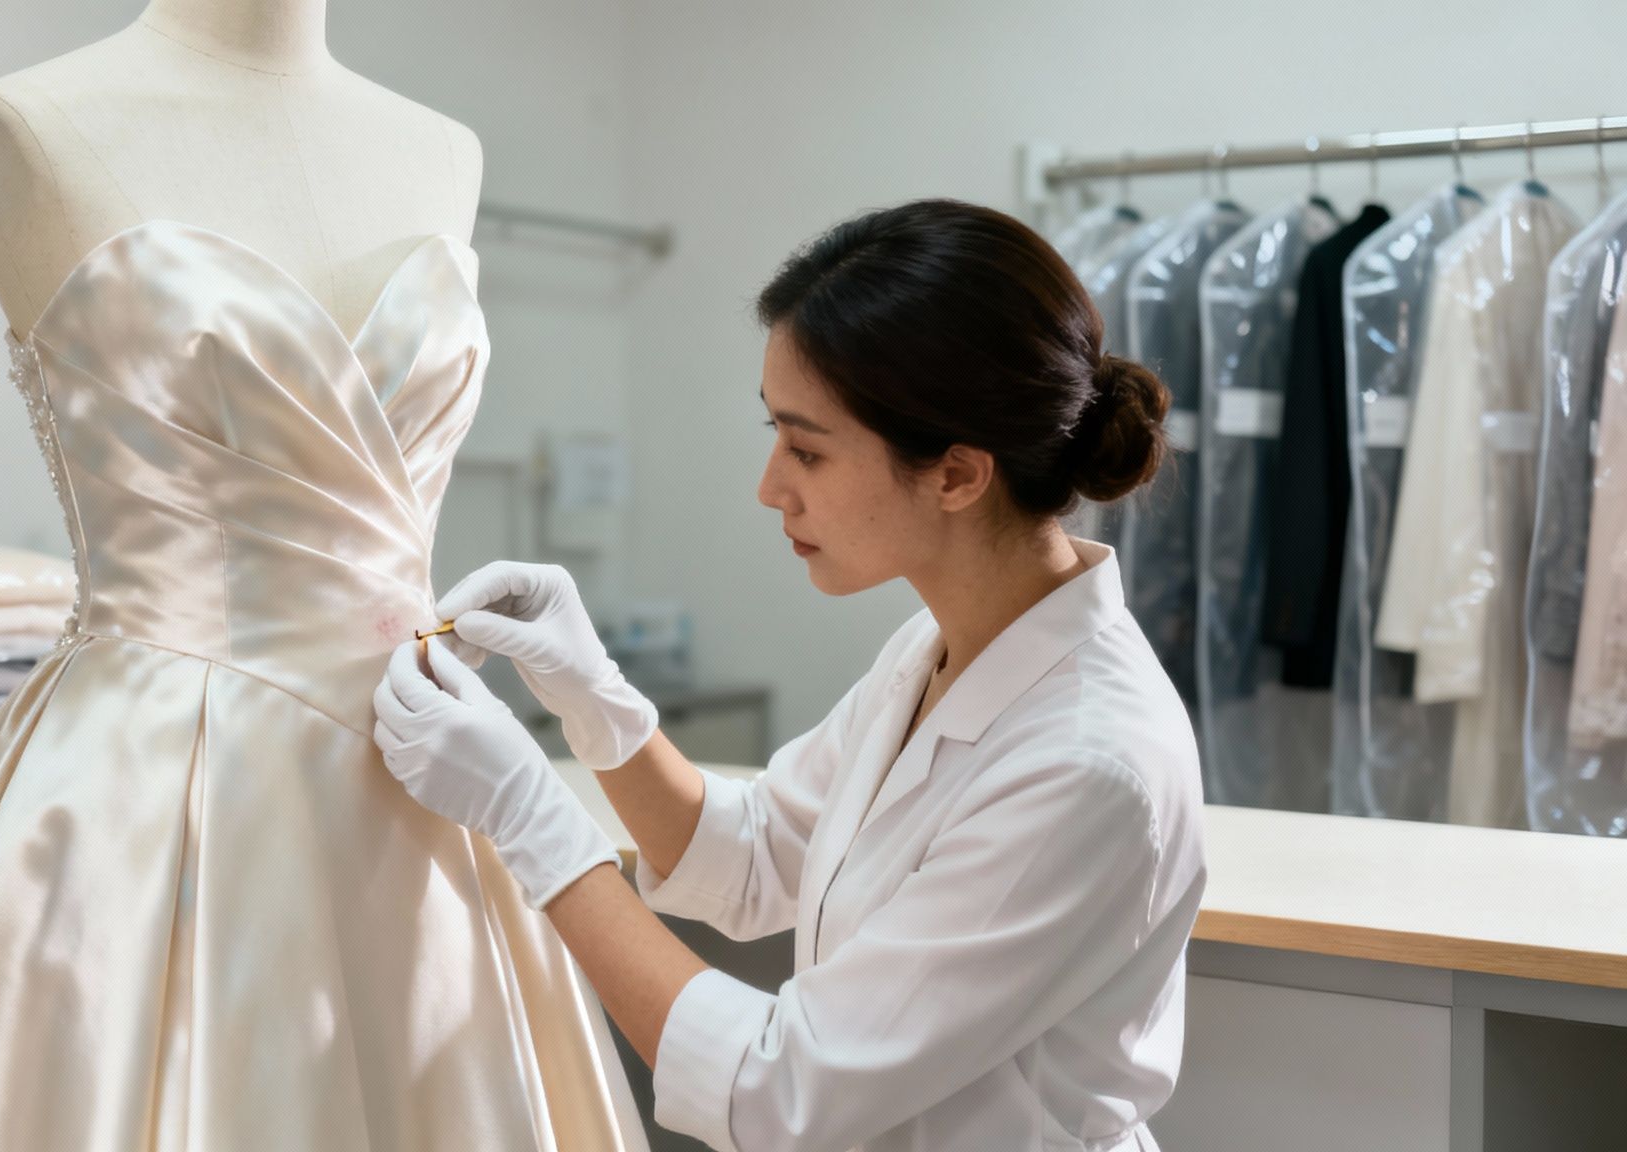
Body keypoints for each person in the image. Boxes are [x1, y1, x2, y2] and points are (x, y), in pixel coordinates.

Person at [372, 198, 1207, 1152]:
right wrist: (592, 697)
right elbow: (754, 852)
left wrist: (536, 824)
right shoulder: (937, 649)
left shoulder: (1089, 766)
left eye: (807, 447)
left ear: (958, 475)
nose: (771, 485)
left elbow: (779, 1088)